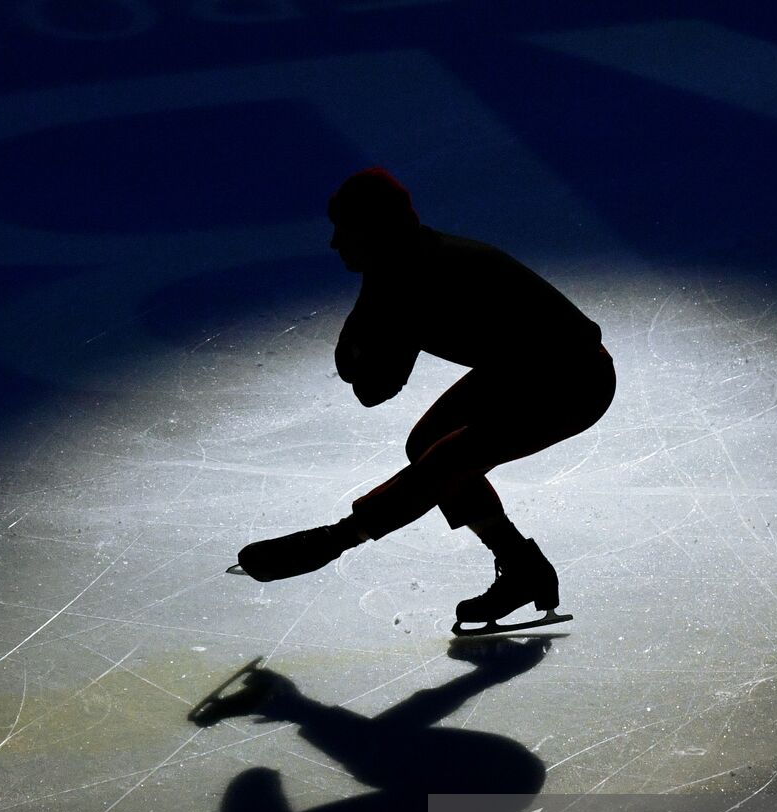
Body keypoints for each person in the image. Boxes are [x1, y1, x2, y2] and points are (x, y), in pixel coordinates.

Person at [236, 167, 615, 627]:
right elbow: (364, 374)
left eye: (344, 230)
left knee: (449, 457)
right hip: (522, 372)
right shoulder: (394, 264)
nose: (334, 243)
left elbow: (372, 385)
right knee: (429, 444)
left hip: (574, 381)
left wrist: (339, 537)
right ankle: (521, 566)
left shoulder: (414, 277)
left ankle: (339, 538)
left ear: (373, 230)